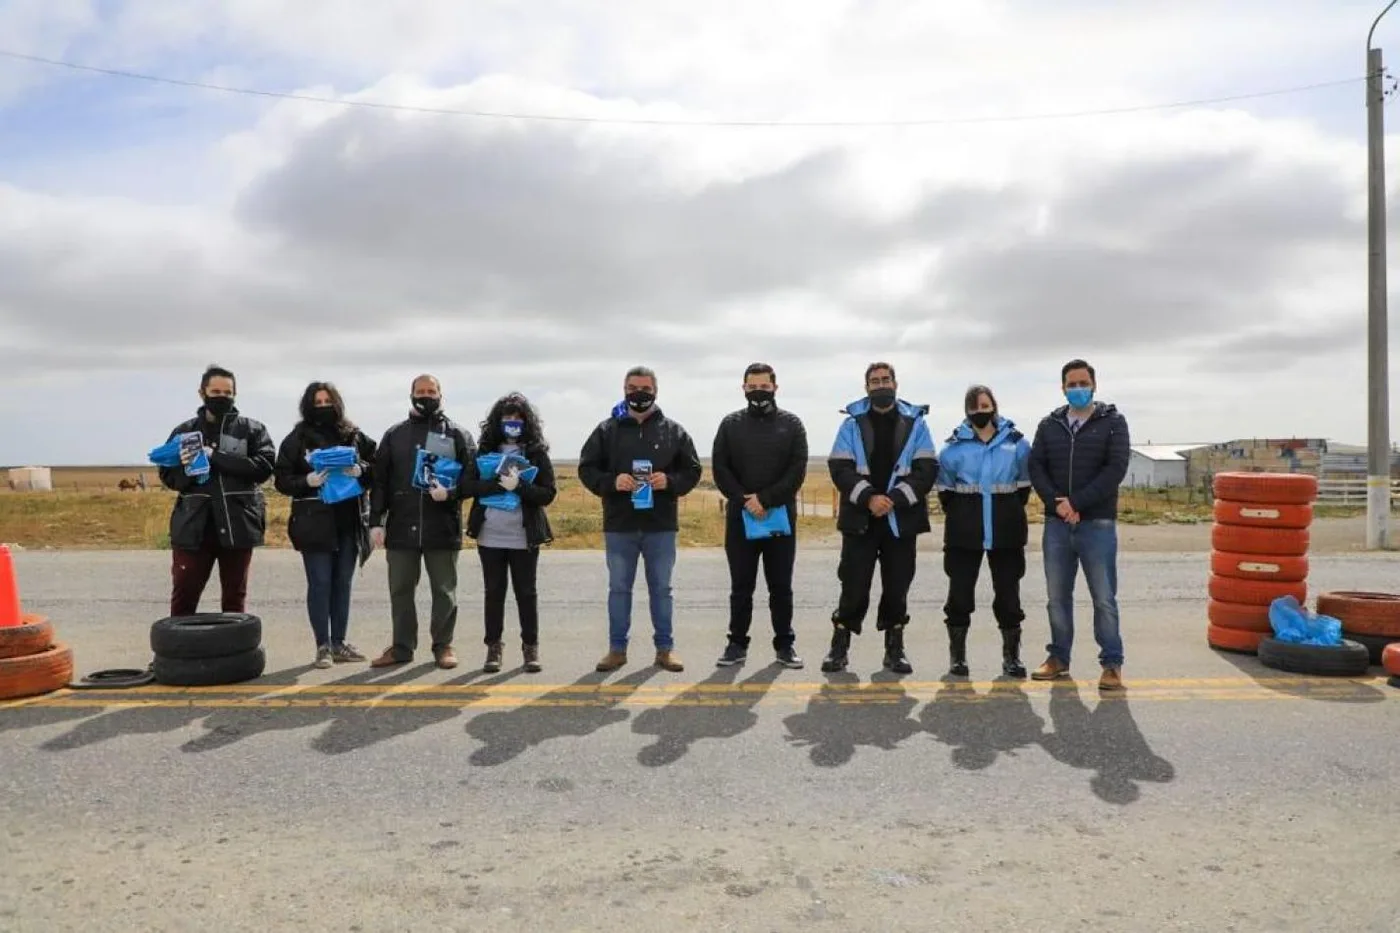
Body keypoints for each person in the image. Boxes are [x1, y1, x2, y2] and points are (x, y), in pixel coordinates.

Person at [578, 365, 703, 673]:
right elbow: (586, 468)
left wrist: (670, 482)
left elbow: (693, 470)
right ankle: (617, 650)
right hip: (620, 525)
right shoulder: (607, 430)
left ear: (655, 392)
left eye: (646, 389)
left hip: (660, 525)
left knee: (662, 589)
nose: (639, 394)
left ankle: (665, 649)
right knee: (619, 589)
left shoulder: (674, 431)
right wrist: (611, 482)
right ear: (624, 390)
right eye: (633, 388)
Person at [823, 362, 938, 675]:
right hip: (861, 519)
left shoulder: (916, 424)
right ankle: (839, 647)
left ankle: (895, 649)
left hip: (900, 520)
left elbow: (926, 470)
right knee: (853, 585)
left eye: (886, 379)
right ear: (866, 388)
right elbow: (840, 469)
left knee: (897, 586)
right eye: (875, 381)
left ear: (896, 384)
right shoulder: (851, 425)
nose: (881, 385)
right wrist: (869, 498)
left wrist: (893, 500)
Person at [1027, 358, 1131, 691]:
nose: (1077, 389)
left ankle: (1111, 663)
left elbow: (1115, 469)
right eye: (1071, 384)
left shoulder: (1113, 422)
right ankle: (1058, 657)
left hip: (1096, 523)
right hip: (1057, 524)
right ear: (1062, 388)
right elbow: (1036, 466)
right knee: (1057, 597)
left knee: (1103, 597)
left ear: (1094, 385)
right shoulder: (1049, 425)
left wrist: (1077, 503)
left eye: (1082, 383)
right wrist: (1057, 503)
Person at [367, 374, 478, 670]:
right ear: (411, 394)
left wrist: (451, 493)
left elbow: (472, 479)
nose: (426, 395)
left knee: (444, 591)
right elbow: (380, 481)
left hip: (442, 525)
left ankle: (443, 645)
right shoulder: (395, 435)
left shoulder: (457, 435)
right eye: (420, 391)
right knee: (401, 589)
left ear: (441, 395)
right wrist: (376, 521)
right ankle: (402, 647)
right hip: (401, 526)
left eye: (431, 391)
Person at [273, 381, 379, 669]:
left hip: (350, 520)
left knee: (342, 584)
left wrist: (362, 470)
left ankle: (339, 643)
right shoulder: (297, 438)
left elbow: (379, 465)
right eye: (317, 402)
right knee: (320, 584)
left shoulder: (353, 435)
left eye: (327, 401)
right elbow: (281, 478)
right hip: (314, 522)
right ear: (308, 406)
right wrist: (306, 482)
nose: (323, 407)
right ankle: (322, 645)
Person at [710, 362, 808, 669]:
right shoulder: (730, 424)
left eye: (764, 387)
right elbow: (720, 467)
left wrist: (765, 499)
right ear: (743, 389)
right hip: (741, 519)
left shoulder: (792, 424)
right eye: (752, 388)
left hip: (780, 517)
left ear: (775, 388)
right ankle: (736, 643)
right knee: (742, 586)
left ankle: (785, 645)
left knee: (780, 586)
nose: (758, 393)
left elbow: (797, 469)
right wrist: (744, 500)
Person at [158, 364, 276, 618]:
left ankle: (235, 653)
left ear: (235, 393)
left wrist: (215, 456)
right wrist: (190, 471)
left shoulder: (252, 430)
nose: (221, 396)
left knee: (235, 596)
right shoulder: (184, 432)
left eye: (227, 392)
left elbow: (263, 467)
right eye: (215, 391)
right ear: (202, 393)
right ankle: (175, 653)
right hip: (193, 526)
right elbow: (167, 475)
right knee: (184, 592)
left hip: (239, 523)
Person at [935, 384, 1033, 679]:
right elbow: (946, 490)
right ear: (967, 411)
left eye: (985, 405)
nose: (981, 411)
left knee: (1008, 596)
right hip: (964, 534)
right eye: (974, 407)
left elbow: (1024, 486)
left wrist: (1005, 511)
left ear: (994, 406)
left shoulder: (1017, 444)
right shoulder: (952, 448)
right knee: (960, 595)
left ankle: (1011, 657)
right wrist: (966, 514)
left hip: (1006, 532)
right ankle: (958, 658)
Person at [464, 392, 558, 674]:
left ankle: (530, 648)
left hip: (523, 535)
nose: (513, 422)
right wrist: (496, 484)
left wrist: (519, 486)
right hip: (490, 533)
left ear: (527, 422)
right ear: (498, 421)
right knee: (494, 592)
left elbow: (548, 493)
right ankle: (493, 647)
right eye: (507, 418)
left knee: (526, 592)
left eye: (518, 418)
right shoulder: (484, 451)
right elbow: (468, 486)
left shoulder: (536, 453)